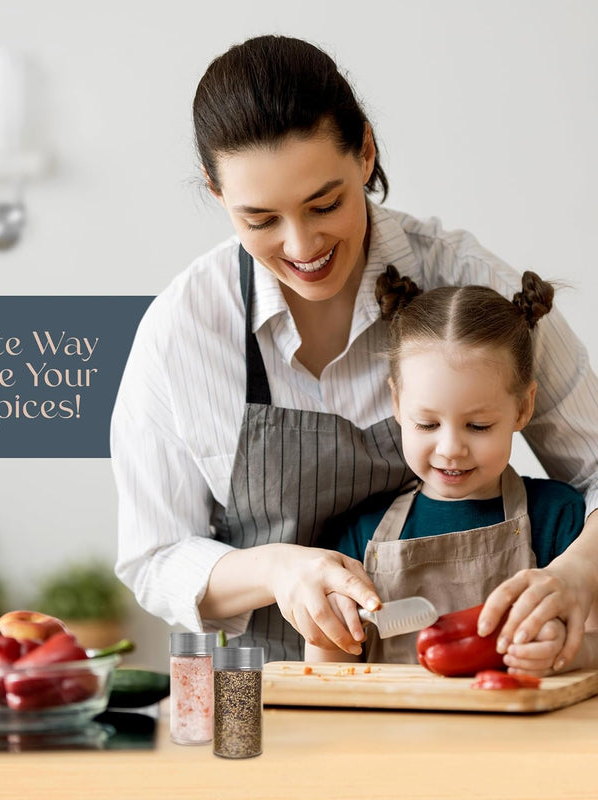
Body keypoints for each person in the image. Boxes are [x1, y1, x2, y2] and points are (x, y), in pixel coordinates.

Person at [110, 34, 598, 664]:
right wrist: (279, 571)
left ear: (366, 152)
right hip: (264, 698)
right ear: (216, 193)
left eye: (326, 203)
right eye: (259, 220)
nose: (301, 244)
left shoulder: (474, 287)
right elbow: (153, 558)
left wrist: (581, 573)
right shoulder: (183, 328)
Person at [305, 269, 598, 673]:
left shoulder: (559, 517)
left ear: (523, 407)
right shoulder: (363, 534)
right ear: (396, 402)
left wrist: (567, 653)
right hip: (387, 736)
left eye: (478, 426)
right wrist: (326, 626)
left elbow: (594, 644)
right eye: (427, 424)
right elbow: (328, 675)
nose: (450, 449)